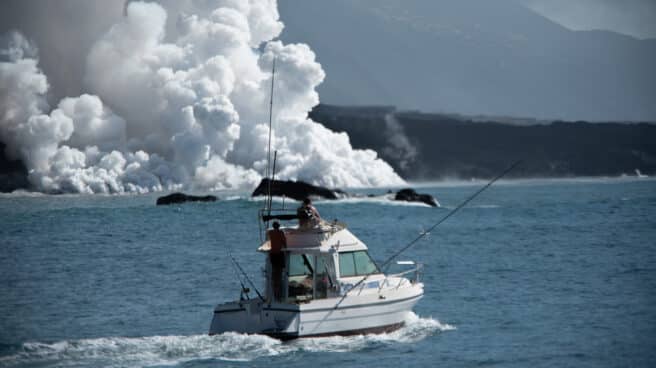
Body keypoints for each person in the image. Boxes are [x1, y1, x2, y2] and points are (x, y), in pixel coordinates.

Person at [267, 221, 286, 300]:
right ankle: (278, 293)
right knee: (279, 272)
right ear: (279, 226)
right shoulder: (280, 232)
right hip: (279, 254)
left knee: (274, 272)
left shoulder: (270, 232)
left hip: (272, 254)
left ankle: (275, 293)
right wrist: (286, 248)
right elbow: (284, 241)